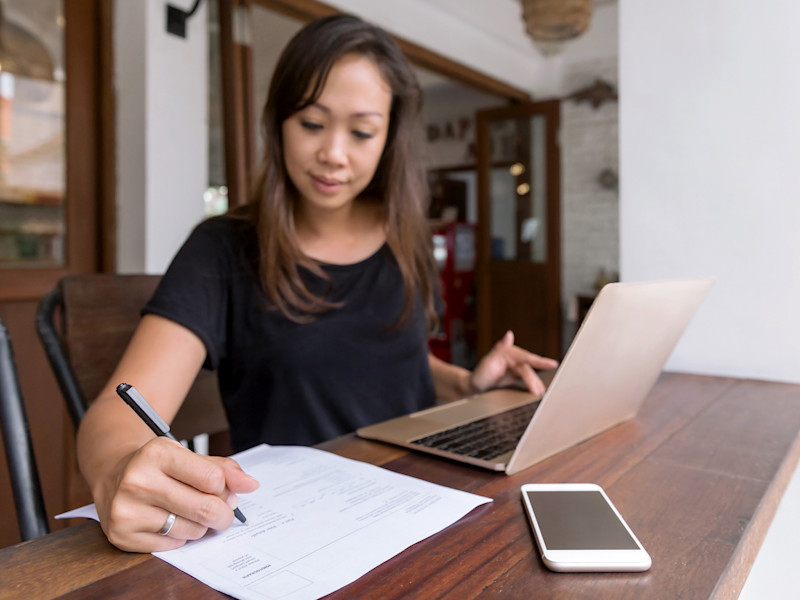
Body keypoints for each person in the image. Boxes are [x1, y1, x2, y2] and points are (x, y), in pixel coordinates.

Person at [76, 14, 558, 553]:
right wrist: (117, 470)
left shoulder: (407, 239)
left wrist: (465, 385)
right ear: (279, 121)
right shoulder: (224, 248)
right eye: (311, 123)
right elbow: (117, 413)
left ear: (389, 138)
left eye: (361, 131)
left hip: (424, 507)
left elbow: (387, 358)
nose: (334, 152)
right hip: (297, 536)